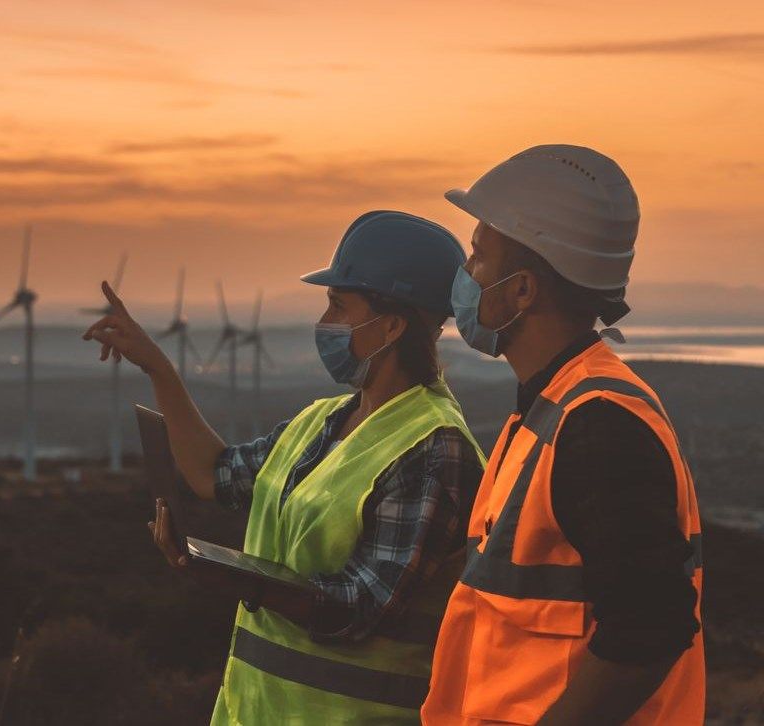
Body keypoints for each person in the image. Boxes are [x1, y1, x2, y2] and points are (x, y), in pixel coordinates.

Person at [83, 211, 486, 724]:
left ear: (391, 325)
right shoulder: (322, 421)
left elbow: (361, 608)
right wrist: (157, 367)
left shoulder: (434, 449)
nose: (326, 324)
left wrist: (228, 575)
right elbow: (214, 475)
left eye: (339, 306)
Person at [421, 145, 704, 725]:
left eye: (478, 257)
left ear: (523, 291)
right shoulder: (546, 411)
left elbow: (649, 629)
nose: (466, 276)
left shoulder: (598, 426)